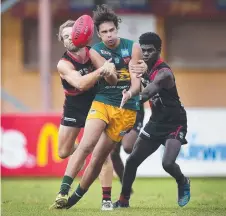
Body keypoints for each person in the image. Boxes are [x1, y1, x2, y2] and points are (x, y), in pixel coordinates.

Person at [57, 4, 143, 210]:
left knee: (100, 155)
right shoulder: (75, 58)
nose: (109, 35)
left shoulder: (123, 48)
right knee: (72, 149)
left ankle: (94, 198)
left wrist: (131, 85)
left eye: (112, 30)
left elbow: (130, 78)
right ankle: (66, 187)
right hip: (87, 104)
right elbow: (86, 83)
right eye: (104, 32)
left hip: (113, 104)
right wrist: (104, 70)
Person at [113, 32, 190, 208]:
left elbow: (148, 92)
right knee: (131, 160)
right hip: (155, 122)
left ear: (159, 50)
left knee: (167, 163)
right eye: (143, 50)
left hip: (175, 123)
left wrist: (130, 99)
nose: (146, 54)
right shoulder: (142, 67)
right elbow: (133, 82)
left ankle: (182, 181)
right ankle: (124, 200)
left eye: (150, 50)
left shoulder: (164, 73)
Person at [50, 19, 115, 209]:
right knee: (63, 152)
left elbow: (111, 78)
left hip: (97, 102)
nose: (70, 39)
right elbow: (80, 84)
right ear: (62, 41)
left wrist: (109, 71)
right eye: (66, 37)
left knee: (103, 155)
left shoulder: (92, 53)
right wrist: (101, 71)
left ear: (82, 34)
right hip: (74, 105)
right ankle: (84, 150)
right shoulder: (63, 64)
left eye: (73, 34)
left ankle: (106, 200)